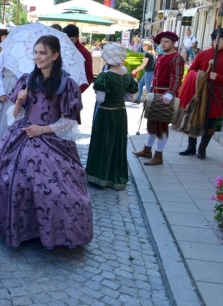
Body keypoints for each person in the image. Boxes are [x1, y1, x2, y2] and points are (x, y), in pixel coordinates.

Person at [0, 35, 93, 249]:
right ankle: (20, 228)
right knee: (1, 177)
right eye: (36, 52)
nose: (38, 57)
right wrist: (20, 102)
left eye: (43, 53)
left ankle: (49, 232)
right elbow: (15, 115)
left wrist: (42, 129)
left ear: (55, 55)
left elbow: (69, 123)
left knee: (54, 188)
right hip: (22, 133)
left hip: (52, 137)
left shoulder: (65, 84)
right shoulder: (26, 79)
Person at [86, 43, 138, 190]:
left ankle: (100, 176)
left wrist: (99, 93)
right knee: (117, 143)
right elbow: (130, 97)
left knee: (103, 143)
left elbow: (100, 99)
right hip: (120, 113)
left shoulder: (105, 75)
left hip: (106, 113)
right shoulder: (126, 72)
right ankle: (115, 178)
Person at [132, 31, 184, 166]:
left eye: (166, 41)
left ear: (173, 43)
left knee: (161, 126)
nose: (163, 44)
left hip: (166, 95)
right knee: (151, 124)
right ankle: (147, 150)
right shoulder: (161, 56)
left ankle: (158, 156)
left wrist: (170, 93)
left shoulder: (176, 58)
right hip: (155, 94)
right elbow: (155, 78)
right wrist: (149, 96)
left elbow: (177, 77)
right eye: (162, 41)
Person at [179, 28, 223, 159]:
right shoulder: (203, 54)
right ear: (215, 40)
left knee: (210, 123)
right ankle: (191, 147)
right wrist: (201, 75)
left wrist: (219, 77)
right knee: (193, 118)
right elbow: (192, 70)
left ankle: (202, 149)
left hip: (215, 95)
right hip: (199, 93)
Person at [62, 24, 93, 93]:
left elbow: (89, 76)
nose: (69, 42)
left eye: (71, 40)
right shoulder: (61, 48)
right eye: (66, 40)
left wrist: (77, 91)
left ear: (77, 37)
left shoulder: (84, 53)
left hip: (74, 90)